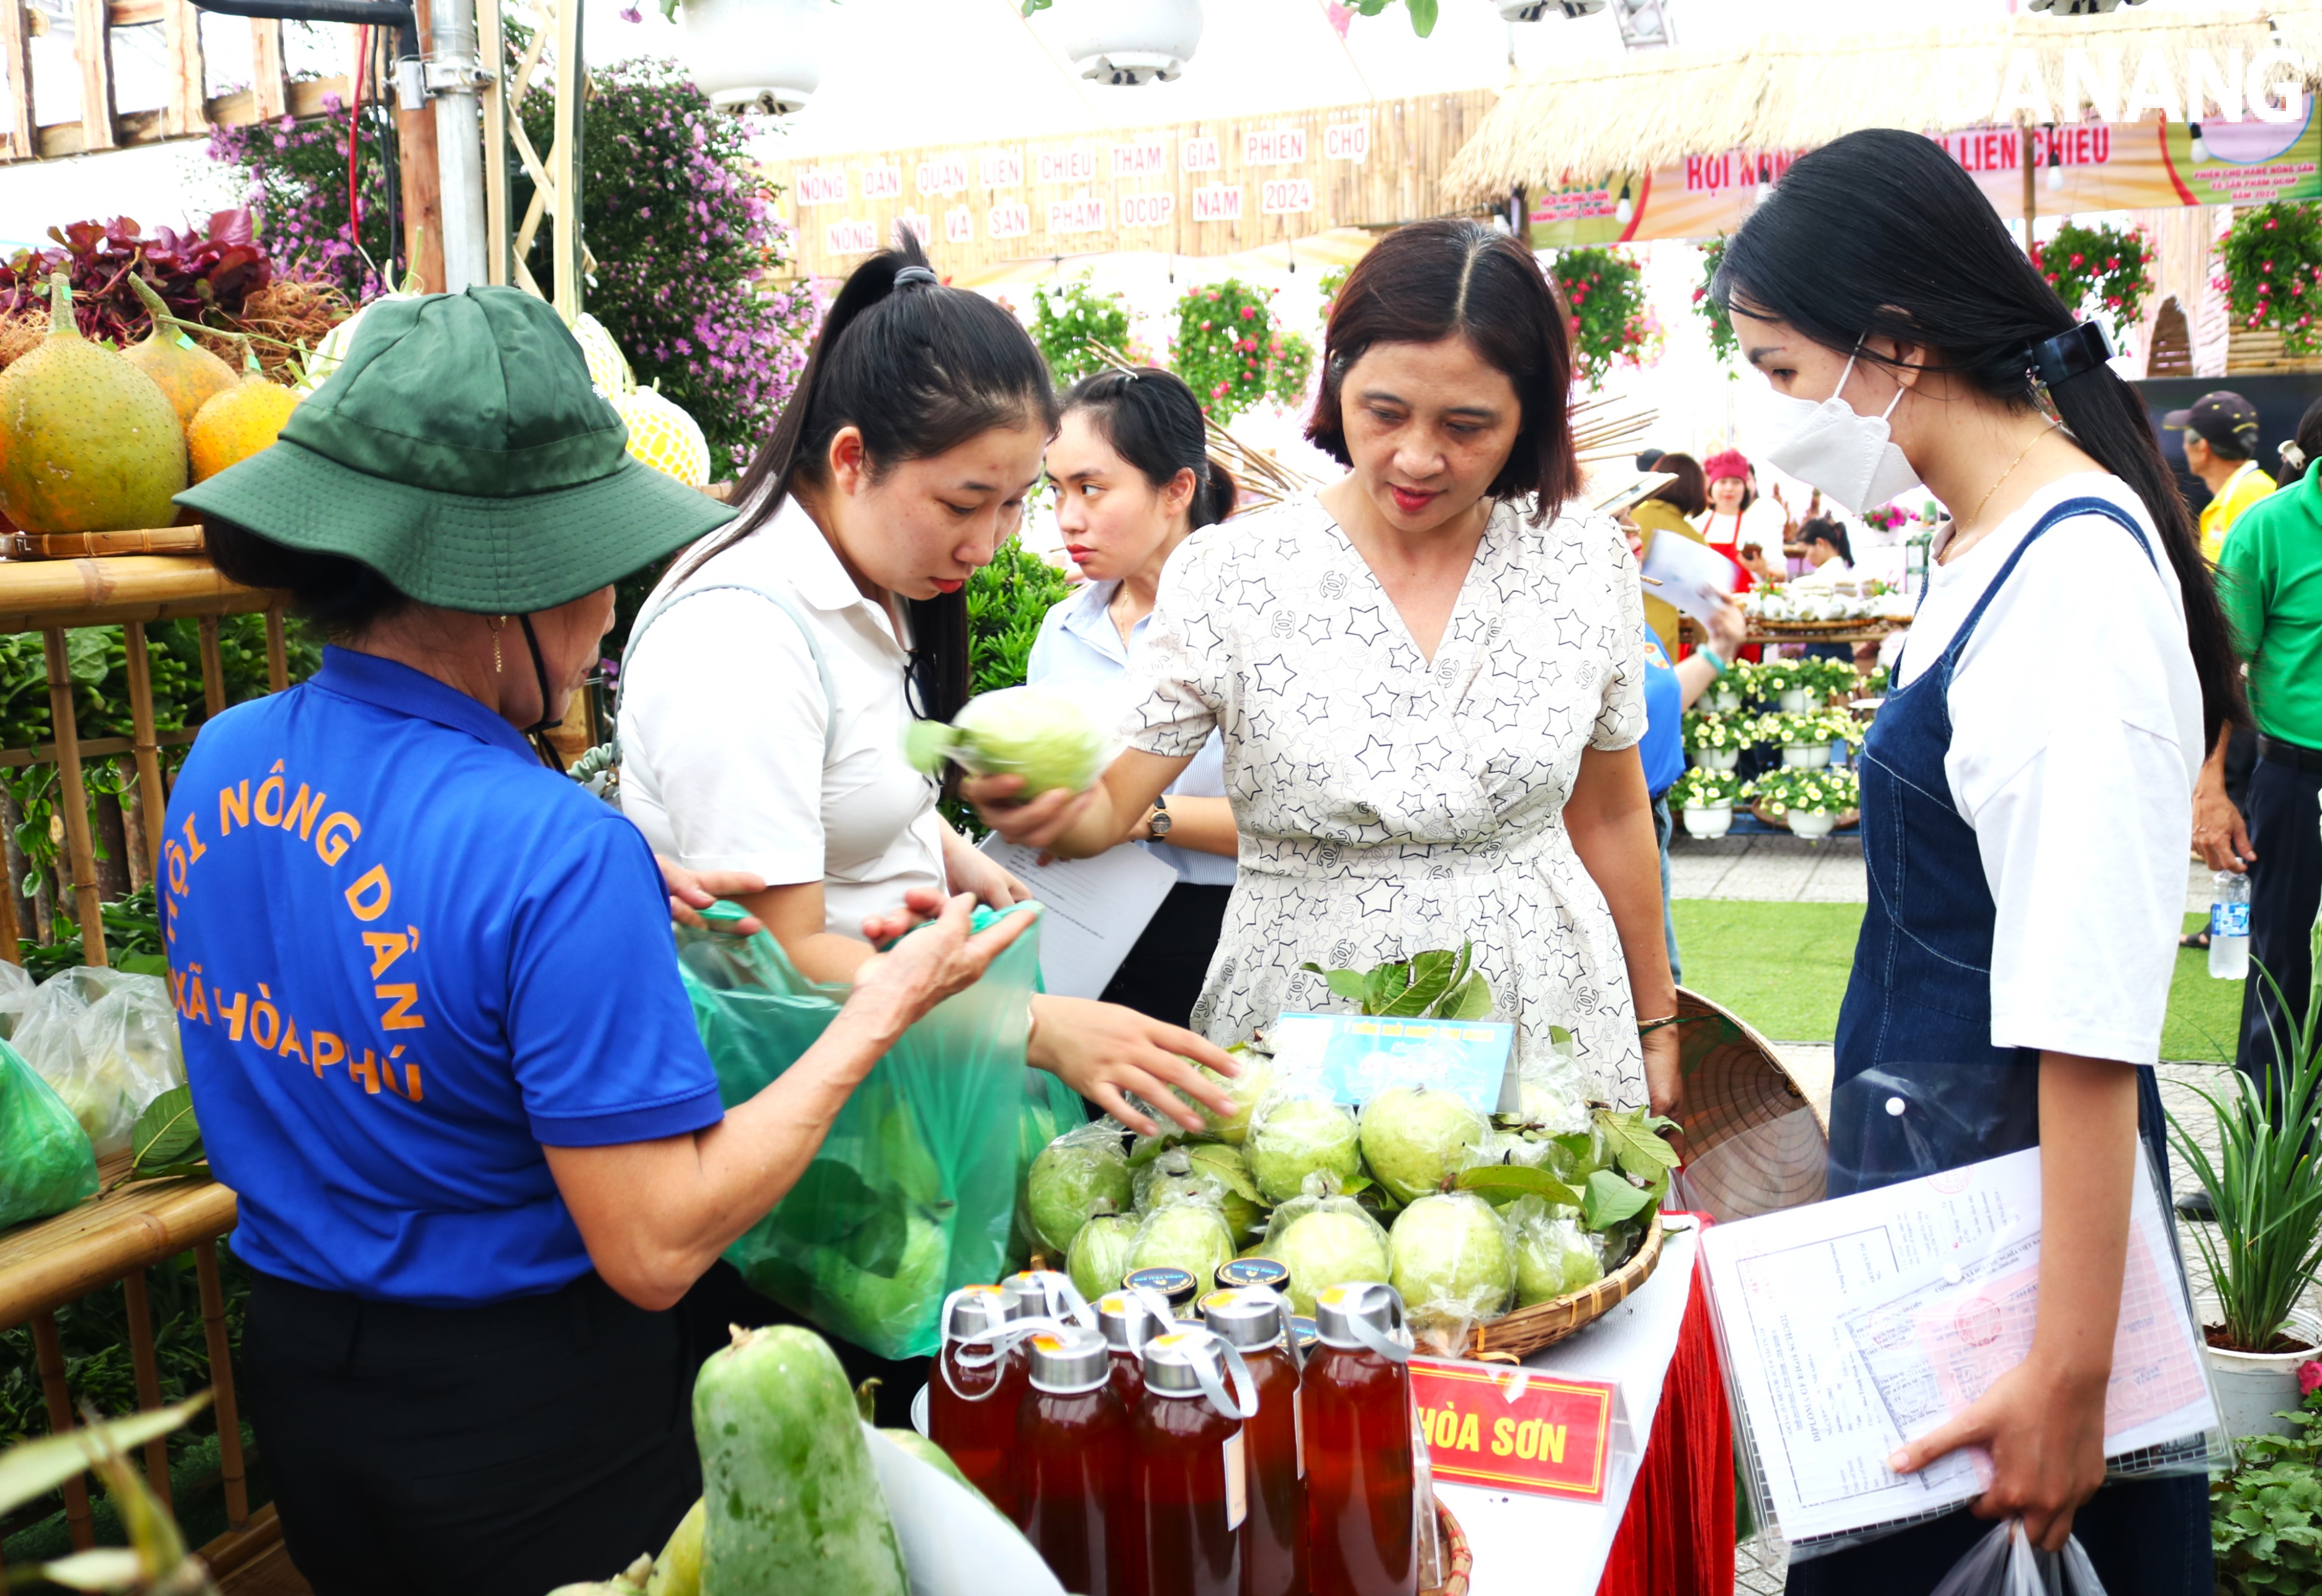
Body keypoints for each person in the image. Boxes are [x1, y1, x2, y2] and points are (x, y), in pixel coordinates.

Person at [163, 288, 1035, 1593]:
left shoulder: (224, 759)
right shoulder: (548, 853)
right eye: (594, 574)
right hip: (526, 1420)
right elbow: (655, 1243)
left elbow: (376, 931)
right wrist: (877, 1010)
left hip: (306, 1386)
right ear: (500, 585)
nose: (608, 619)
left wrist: (607, 867)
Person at [1716, 128, 2238, 1594]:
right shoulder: (1985, 538)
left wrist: (2067, 1373)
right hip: (1942, 1201)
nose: (1769, 416)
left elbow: (2083, 1010)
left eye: (1773, 368)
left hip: (2012, 1239)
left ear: (1893, 341)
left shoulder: (2068, 577)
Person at [971, 217, 1681, 1116]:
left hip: (1540, 1009)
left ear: (1528, 418)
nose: (1417, 458)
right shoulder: (1236, 573)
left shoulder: (1580, 561)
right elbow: (1113, 803)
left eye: (1468, 426)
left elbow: (1613, 813)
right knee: (1319, 1240)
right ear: (1338, 378)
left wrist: (1655, 1022)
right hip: (1310, 1013)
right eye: (1384, 413)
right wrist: (1046, 805)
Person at [615, 236, 1233, 1144]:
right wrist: (1035, 1027)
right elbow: (775, 958)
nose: (988, 545)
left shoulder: (869, 580)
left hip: (907, 1076)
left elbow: (837, 776)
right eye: (961, 503)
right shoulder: (738, 640)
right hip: (802, 1119)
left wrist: (952, 852)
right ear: (854, 458)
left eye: (1015, 501)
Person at [1027, 367, 1240, 1028]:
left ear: (1177, 488)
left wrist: (1141, 813)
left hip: (1226, 934)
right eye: (1057, 490)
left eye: (1092, 488)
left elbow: (1307, 818)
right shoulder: (1062, 631)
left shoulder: (1249, 625)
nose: (1069, 518)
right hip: (1085, 934)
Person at [2195, 392, 2322, 1108]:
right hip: (2292, 778)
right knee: (2274, 963)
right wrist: (2210, 788)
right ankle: (2266, 1164)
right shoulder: (2268, 528)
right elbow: (2223, 670)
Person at [1621, 513, 1748, 985]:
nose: (1635, 533)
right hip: (1614, 826)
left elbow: (1659, 700)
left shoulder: (1622, 606)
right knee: (1652, 985)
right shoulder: (1573, 618)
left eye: (1630, 518)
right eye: (1615, 520)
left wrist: (1719, 648)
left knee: (1658, 983)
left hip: (1648, 815)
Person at [2166, 389, 2274, 564]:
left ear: (2202, 447)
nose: (2184, 447)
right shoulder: (2238, 494)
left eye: (2185, 438)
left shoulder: (2253, 493)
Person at [1628, 450, 1709, 655]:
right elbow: (1703, 602)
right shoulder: (1693, 539)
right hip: (1660, 636)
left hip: (1617, 627)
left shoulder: (1629, 518)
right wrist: (1700, 642)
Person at [1694, 446, 1786, 587]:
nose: (1729, 488)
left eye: (1736, 482)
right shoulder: (1696, 524)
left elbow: (1782, 575)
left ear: (1745, 488)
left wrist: (1763, 570)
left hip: (1746, 607)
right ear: (1711, 487)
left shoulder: (1759, 525)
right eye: (1723, 482)